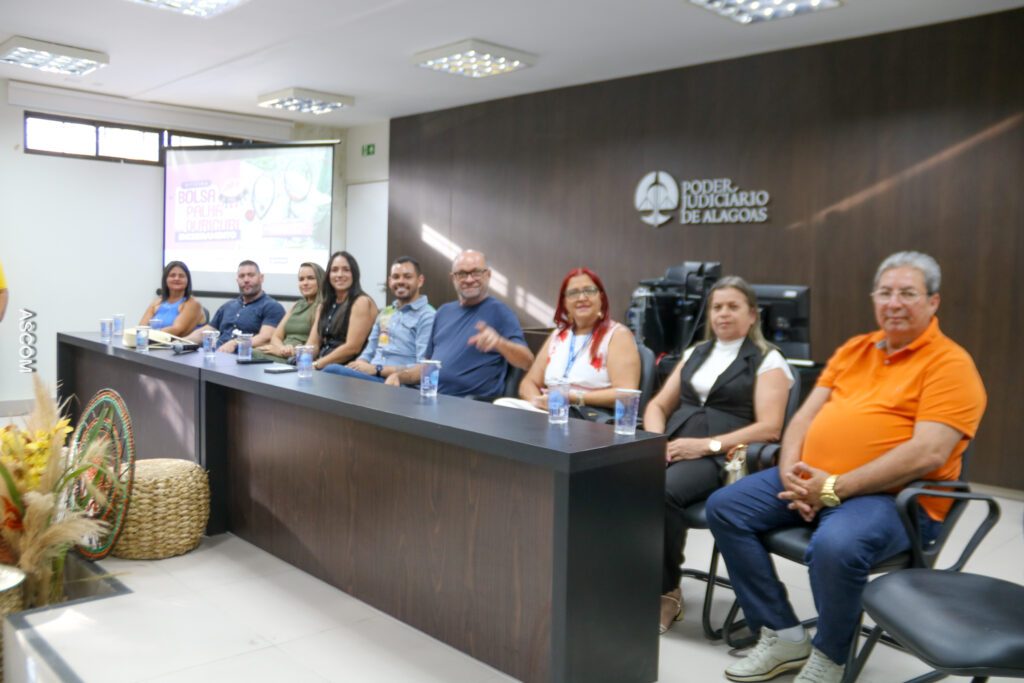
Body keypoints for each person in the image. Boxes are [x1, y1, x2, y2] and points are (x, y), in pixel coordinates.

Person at [705, 252, 986, 683]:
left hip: (893, 497)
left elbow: (927, 453)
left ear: (933, 301)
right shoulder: (856, 349)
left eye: (907, 293)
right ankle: (782, 634)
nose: (894, 303)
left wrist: (833, 488)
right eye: (885, 293)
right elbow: (802, 419)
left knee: (836, 546)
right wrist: (793, 477)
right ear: (874, 299)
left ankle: (831, 657)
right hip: (814, 479)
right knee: (725, 506)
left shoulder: (951, 364)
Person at [643, 275, 793, 635]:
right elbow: (658, 405)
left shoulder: (767, 360)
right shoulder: (696, 353)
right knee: (613, 480)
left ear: (752, 315)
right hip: (673, 446)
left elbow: (770, 428)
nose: (723, 313)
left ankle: (667, 590)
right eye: (717, 307)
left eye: (733, 307)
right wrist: (653, 442)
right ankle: (629, 579)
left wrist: (707, 445)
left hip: (723, 457)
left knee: (660, 492)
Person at [386, 250, 533, 398]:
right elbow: (427, 367)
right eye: (462, 274)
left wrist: (500, 343)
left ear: (488, 275)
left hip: (472, 404)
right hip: (433, 398)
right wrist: (399, 376)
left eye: (476, 272)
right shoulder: (443, 312)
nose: (469, 279)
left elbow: (527, 362)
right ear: (453, 278)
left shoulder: (500, 312)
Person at [498, 267, 639, 412]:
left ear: (601, 298)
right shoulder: (558, 335)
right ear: (564, 302)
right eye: (573, 293)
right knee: (503, 404)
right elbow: (528, 383)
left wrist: (572, 398)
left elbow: (627, 394)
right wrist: (538, 402)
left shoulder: (617, 335)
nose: (582, 298)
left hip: (587, 415)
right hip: (551, 412)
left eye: (589, 291)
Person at [323, 256, 435, 382]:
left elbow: (424, 367)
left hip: (397, 382)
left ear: (420, 281)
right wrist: (359, 364)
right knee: (332, 374)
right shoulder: (386, 313)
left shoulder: (427, 316)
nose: (400, 281)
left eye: (407, 277)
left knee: (331, 371)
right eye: (396, 277)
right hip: (372, 377)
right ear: (390, 281)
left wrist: (378, 369)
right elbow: (369, 351)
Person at [187, 260, 285, 353]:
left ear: (261, 278)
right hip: (217, 354)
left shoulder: (272, 307)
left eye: (251, 275)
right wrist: (183, 341)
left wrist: (235, 343)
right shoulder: (228, 306)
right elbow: (208, 330)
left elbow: (266, 337)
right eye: (242, 276)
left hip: (244, 358)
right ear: (237, 280)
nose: (246, 280)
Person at [307, 251, 379, 371]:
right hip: (322, 364)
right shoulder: (324, 305)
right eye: (334, 270)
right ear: (328, 275)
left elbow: (352, 348)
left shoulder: (361, 302)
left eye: (346, 270)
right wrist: (302, 362)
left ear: (354, 274)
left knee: (331, 369)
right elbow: (313, 344)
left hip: (345, 368)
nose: (340, 275)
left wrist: (316, 364)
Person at [255, 262, 325, 362]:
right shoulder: (296, 305)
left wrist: (283, 352)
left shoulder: (321, 307)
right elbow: (276, 337)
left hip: (296, 359)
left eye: (310, 278)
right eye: (301, 279)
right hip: (282, 352)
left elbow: (312, 348)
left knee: (252, 354)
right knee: (249, 353)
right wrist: (282, 349)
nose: (305, 283)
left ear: (321, 280)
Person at [138, 261, 205, 336]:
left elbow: (177, 330)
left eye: (181, 276)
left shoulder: (193, 304)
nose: (177, 278)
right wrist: (145, 334)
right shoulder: (156, 303)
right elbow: (141, 328)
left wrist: (148, 334)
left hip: (176, 343)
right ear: (165, 279)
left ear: (188, 280)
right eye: (172, 276)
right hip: (153, 341)